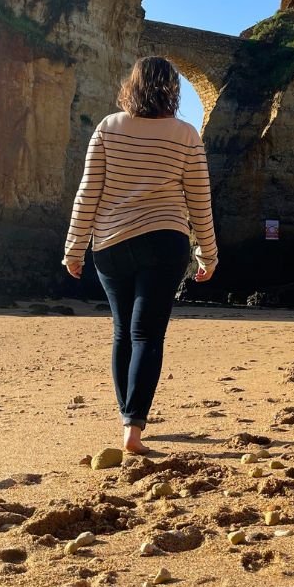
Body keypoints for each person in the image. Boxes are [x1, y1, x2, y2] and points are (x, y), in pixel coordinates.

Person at [62, 56, 218, 454]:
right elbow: (199, 199)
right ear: (173, 89)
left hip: (111, 244)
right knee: (147, 333)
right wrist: (207, 253)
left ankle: (126, 417)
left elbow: (88, 192)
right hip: (165, 240)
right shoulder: (185, 135)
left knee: (122, 332)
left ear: (132, 85)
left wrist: (74, 248)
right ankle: (134, 426)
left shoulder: (107, 128)